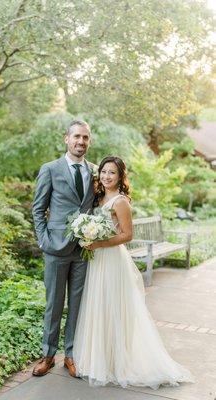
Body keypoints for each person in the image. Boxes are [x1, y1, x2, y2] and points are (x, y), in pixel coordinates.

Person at [73, 156, 195, 389]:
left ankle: (117, 362)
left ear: (120, 177)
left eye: (112, 173)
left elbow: (127, 235)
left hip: (111, 260)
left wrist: (98, 243)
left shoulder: (121, 202)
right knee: (98, 305)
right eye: (104, 172)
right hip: (97, 261)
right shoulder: (98, 198)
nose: (107, 176)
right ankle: (98, 359)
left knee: (113, 307)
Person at [32, 120, 95, 377]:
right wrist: (44, 241)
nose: (81, 142)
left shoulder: (95, 171)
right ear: (66, 139)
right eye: (77, 137)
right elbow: (38, 209)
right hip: (55, 248)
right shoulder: (50, 169)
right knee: (54, 304)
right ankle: (48, 355)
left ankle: (71, 354)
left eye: (86, 138)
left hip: (83, 250)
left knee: (78, 305)